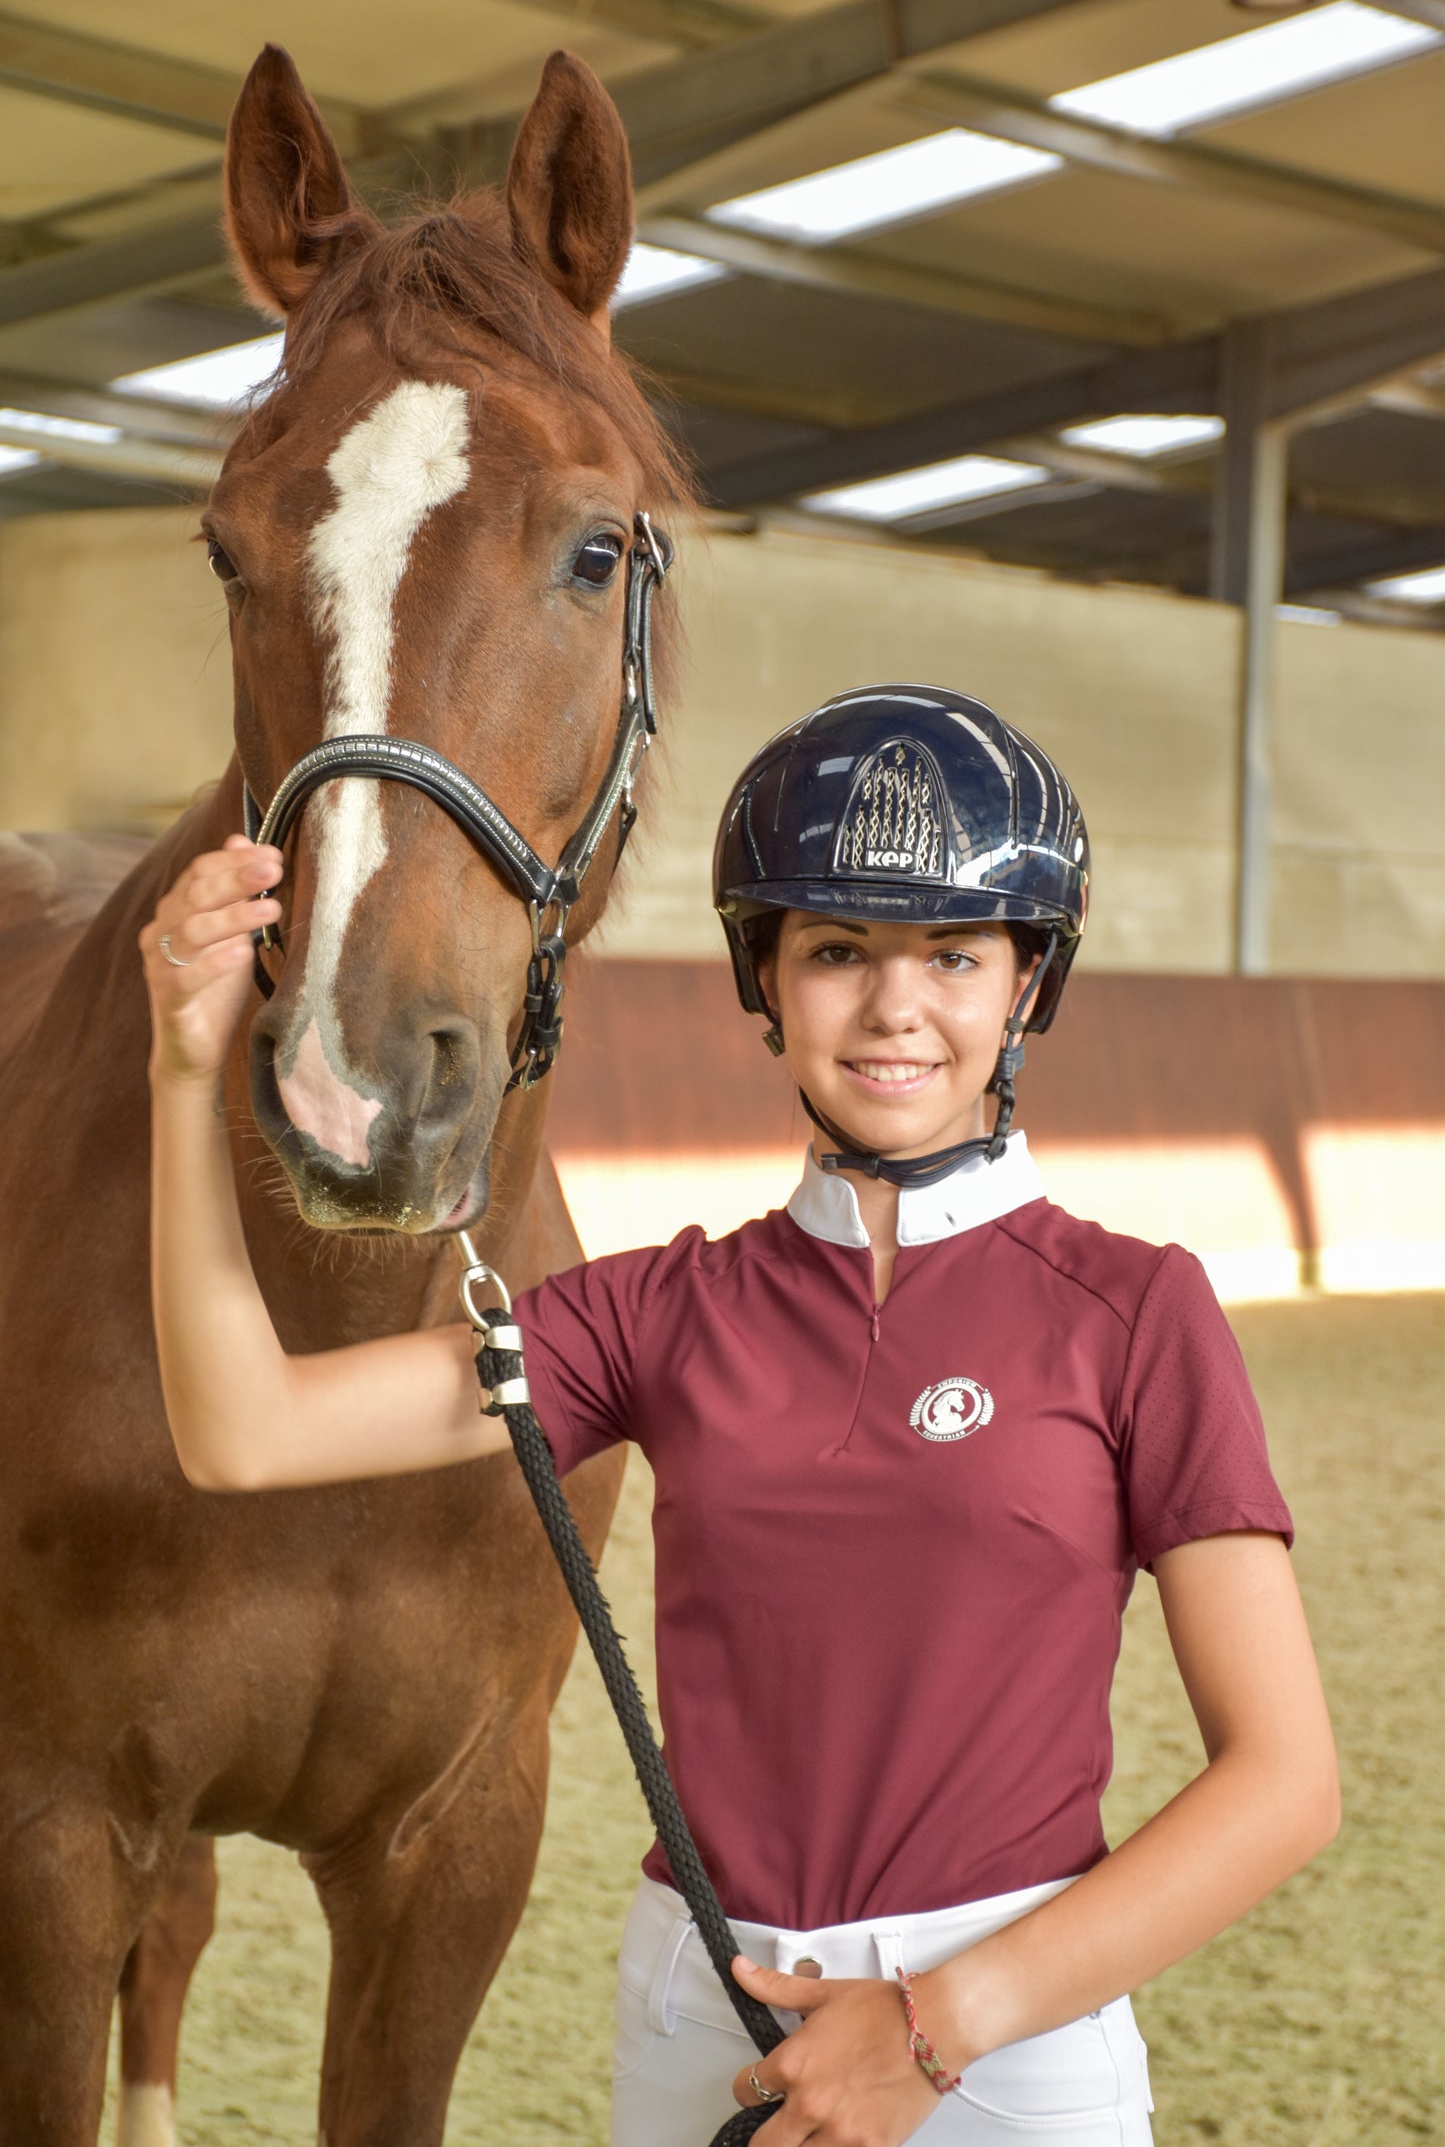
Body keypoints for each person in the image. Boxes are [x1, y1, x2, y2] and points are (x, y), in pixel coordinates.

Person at [142, 684, 1339, 2146]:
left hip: (1009, 2035)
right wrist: (182, 1070)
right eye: (836, 951)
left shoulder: (1136, 1310)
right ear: (762, 979)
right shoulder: (656, 1311)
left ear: (1023, 986)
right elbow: (242, 1429)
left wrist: (929, 2027)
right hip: (705, 2013)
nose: (896, 1008)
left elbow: (1282, 1785)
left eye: (953, 956)